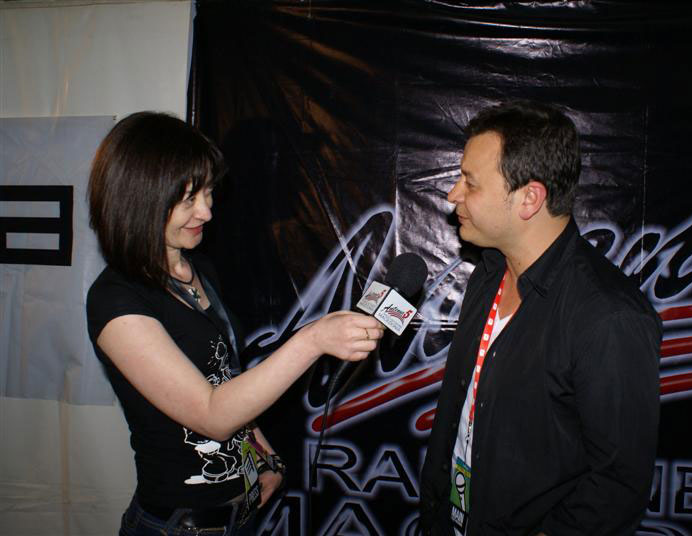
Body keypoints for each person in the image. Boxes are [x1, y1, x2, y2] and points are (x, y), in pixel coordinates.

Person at [85, 112, 384, 535]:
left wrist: (263, 455)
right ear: (141, 197)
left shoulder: (200, 269)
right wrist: (313, 340)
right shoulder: (116, 298)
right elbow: (211, 414)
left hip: (238, 517)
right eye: (188, 199)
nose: (206, 211)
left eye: (208, 192)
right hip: (178, 526)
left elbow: (225, 378)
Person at [420, 101, 662, 535]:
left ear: (529, 198)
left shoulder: (608, 316)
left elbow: (618, 484)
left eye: (470, 182)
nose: (453, 194)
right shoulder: (488, 275)